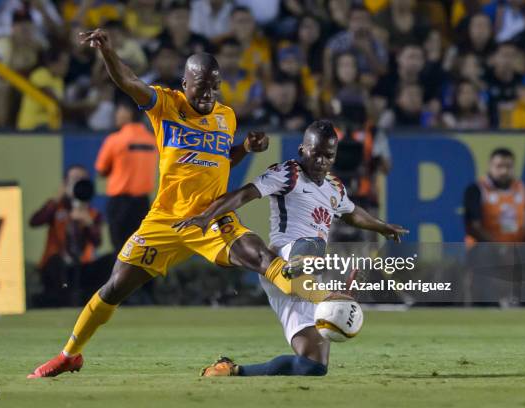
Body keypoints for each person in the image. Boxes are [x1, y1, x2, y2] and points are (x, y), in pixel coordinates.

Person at [27, 28, 315, 379]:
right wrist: (107, 52)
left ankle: (315, 293)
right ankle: (69, 355)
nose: (208, 93)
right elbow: (128, 81)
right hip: (165, 219)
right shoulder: (165, 104)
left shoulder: (226, 117)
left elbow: (220, 160)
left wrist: (244, 150)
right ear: (185, 83)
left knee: (258, 255)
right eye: (201, 85)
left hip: (210, 216)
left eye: (214, 85)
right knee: (115, 287)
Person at [172, 120, 407, 376]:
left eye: (328, 156)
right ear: (302, 149)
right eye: (316, 153)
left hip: (304, 278)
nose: (321, 161)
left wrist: (381, 226)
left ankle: (231, 370)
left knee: (313, 366)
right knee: (314, 243)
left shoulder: (335, 187)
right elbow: (245, 194)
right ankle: (313, 280)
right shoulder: (288, 174)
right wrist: (207, 216)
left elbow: (352, 213)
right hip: (282, 259)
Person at [30, 165, 103, 307]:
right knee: (56, 263)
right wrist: (57, 199)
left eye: (82, 180)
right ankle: (59, 299)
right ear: (66, 183)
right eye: (74, 179)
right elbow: (35, 221)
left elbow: (97, 242)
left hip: (83, 266)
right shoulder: (56, 207)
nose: (78, 183)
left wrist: (88, 223)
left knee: (109, 261)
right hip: (57, 265)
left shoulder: (92, 213)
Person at [95, 98, 157, 252]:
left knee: (120, 251)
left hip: (119, 205)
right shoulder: (153, 141)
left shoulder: (115, 140)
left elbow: (101, 170)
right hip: (142, 204)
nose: (116, 115)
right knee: (140, 251)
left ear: (128, 113)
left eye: (119, 110)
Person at [464, 148, 525, 245]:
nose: (504, 171)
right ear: (490, 166)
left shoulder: (521, 187)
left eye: (508, 166)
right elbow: (473, 227)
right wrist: (498, 247)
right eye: (499, 166)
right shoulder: (477, 189)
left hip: (516, 250)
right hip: (484, 251)